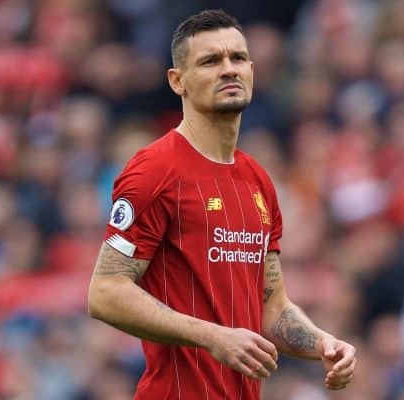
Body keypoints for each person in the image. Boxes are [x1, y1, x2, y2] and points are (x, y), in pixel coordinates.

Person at [87, 9, 356, 400]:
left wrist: (322, 344)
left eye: (238, 58)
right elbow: (105, 292)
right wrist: (212, 336)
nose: (229, 69)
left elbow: (272, 307)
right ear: (177, 81)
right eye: (211, 61)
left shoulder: (258, 181)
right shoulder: (155, 169)